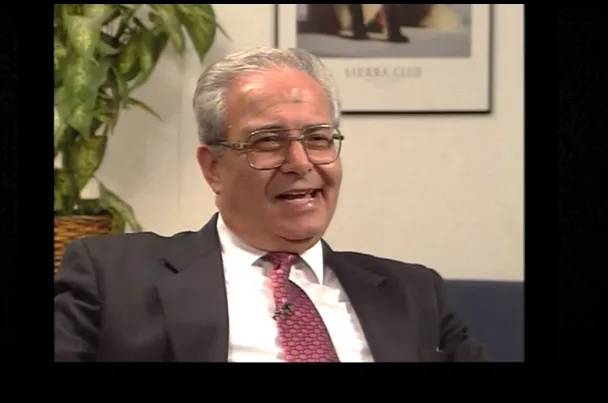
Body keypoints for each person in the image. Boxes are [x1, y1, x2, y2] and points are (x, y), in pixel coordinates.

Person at [54, 46, 487, 362]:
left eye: (318, 138)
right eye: (267, 142)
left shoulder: (415, 292)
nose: (300, 162)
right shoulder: (111, 276)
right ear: (213, 168)